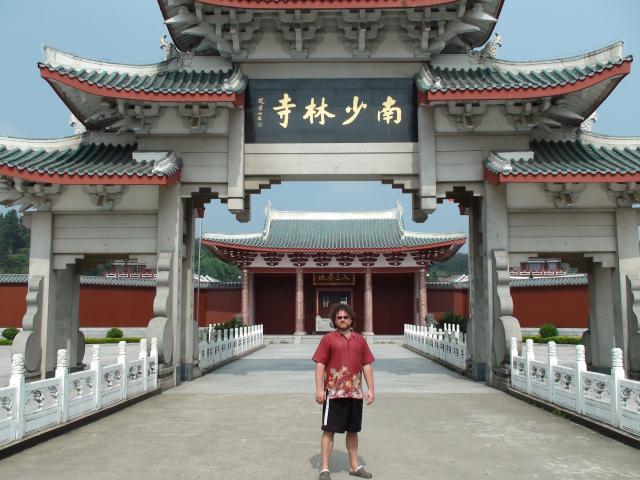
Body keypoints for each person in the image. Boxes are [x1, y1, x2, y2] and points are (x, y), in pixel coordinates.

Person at [312, 303, 375, 480]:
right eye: (339, 317)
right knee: (329, 430)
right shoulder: (328, 339)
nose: (342, 320)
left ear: (351, 319)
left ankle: (355, 465)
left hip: (355, 393)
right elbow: (320, 364)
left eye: (345, 317)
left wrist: (370, 389)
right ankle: (324, 468)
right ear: (334, 320)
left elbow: (366, 365)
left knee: (353, 431)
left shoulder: (360, 340)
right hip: (334, 393)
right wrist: (319, 389)